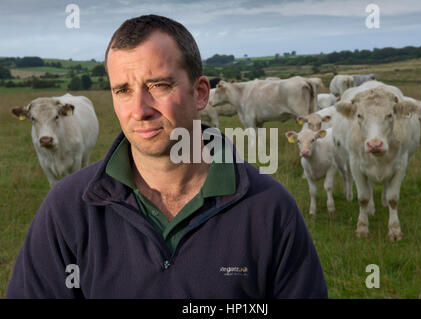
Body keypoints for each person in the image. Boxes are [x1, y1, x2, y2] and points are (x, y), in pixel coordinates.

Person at [6, 14, 327, 298]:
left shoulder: (269, 209)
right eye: (123, 91)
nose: (139, 111)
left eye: (158, 86)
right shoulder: (68, 209)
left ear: (200, 93)